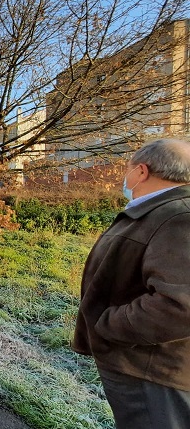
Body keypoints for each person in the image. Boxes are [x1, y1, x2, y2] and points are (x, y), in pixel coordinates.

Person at [72, 138, 190, 429]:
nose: (125, 178)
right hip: (146, 366)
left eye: (128, 169)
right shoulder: (158, 210)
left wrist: (108, 324)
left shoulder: (178, 216)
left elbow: (180, 305)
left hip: (153, 372)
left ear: (141, 171)